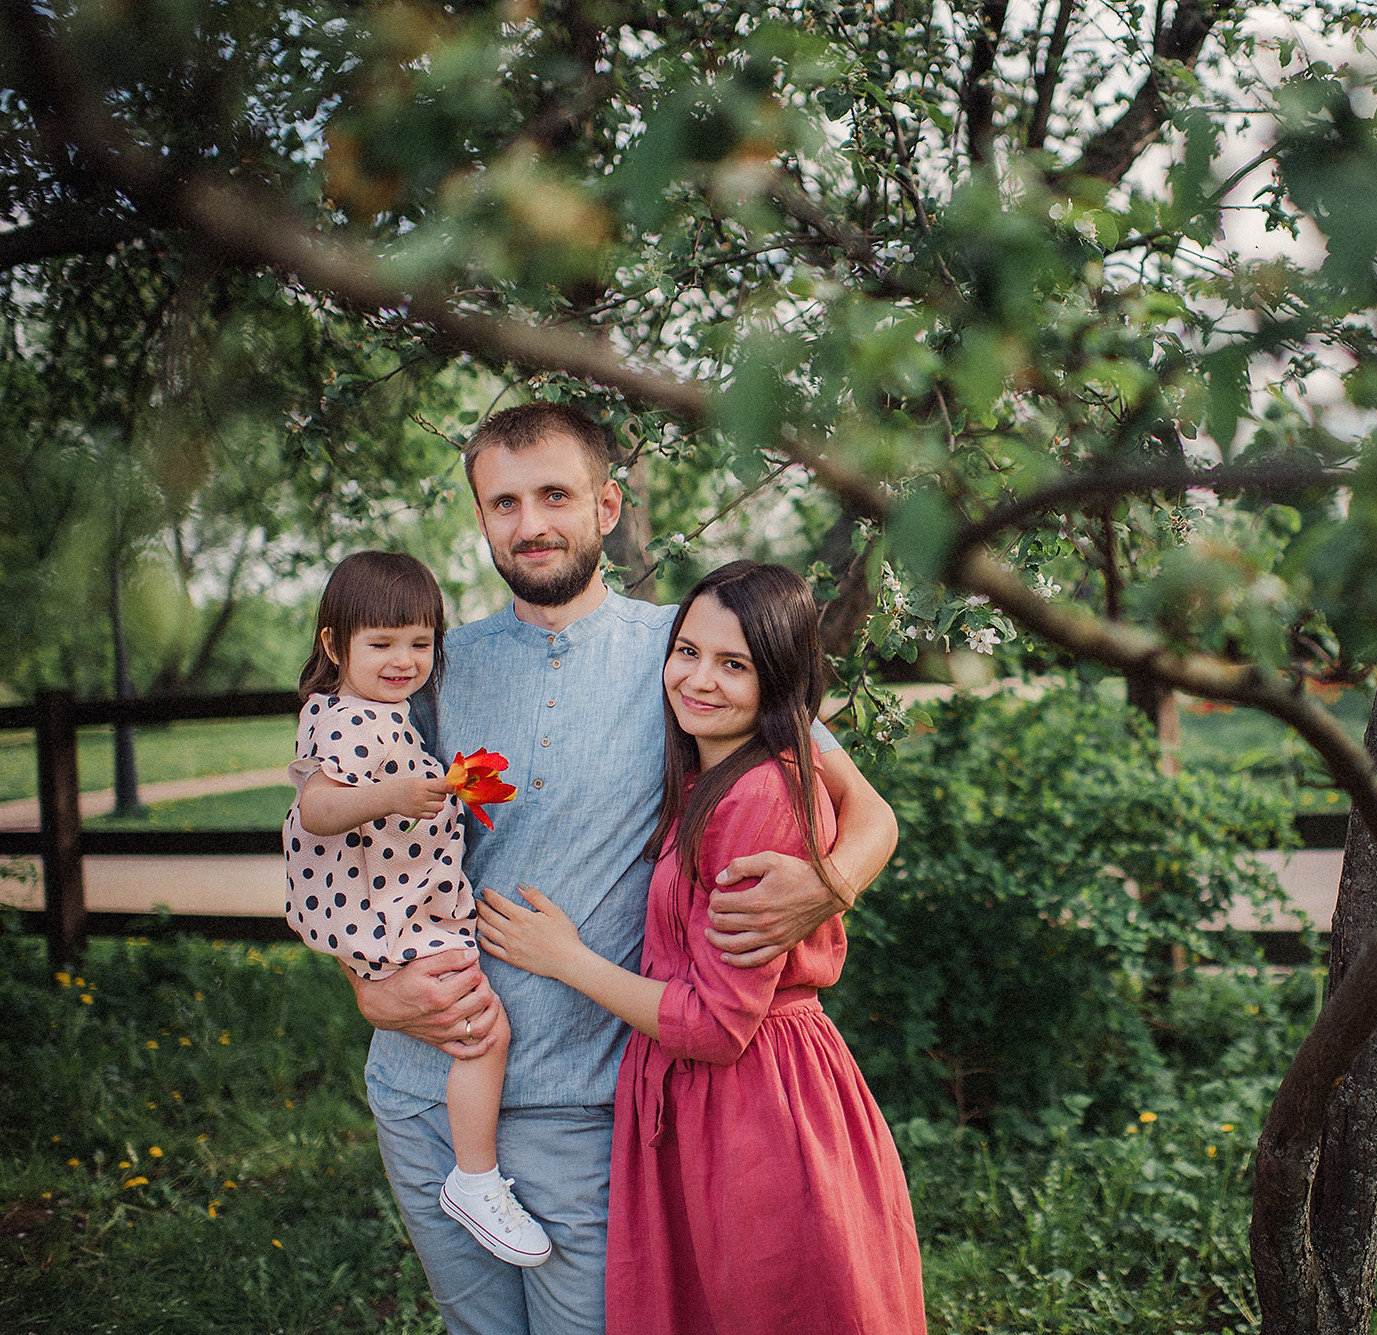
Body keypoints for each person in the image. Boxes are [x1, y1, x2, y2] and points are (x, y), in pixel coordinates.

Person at [342, 403, 900, 1335]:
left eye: (555, 495)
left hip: (585, 1103)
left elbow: (868, 809)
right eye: (505, 502)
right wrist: (366, 984)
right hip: (422, 1088)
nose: (531, 523)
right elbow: (339, 846)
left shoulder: (687, 655)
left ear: (606, 505)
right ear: (481, 518)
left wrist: (830, 883)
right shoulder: (432, 668)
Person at [478, 561, 926, 1334]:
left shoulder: (760, 795)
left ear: (779, 680)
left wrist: (565, 958)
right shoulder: (709, 777)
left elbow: (717, 1024)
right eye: (687, 651)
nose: (699, 679)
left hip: (757, 1111)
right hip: (714, 1104)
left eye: (734, 664)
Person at [284, 550, 551, 1267]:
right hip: (387, 914)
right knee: (484, 1031)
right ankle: (475, 1179)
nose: (404, 660)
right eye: (381, 644)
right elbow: (317, 808)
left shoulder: (385, 711)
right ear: (333, 644)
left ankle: (474, 1175)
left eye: (420, 643)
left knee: (476, 1027)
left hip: (403, 900)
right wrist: (394, 794)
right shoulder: (340, 718)